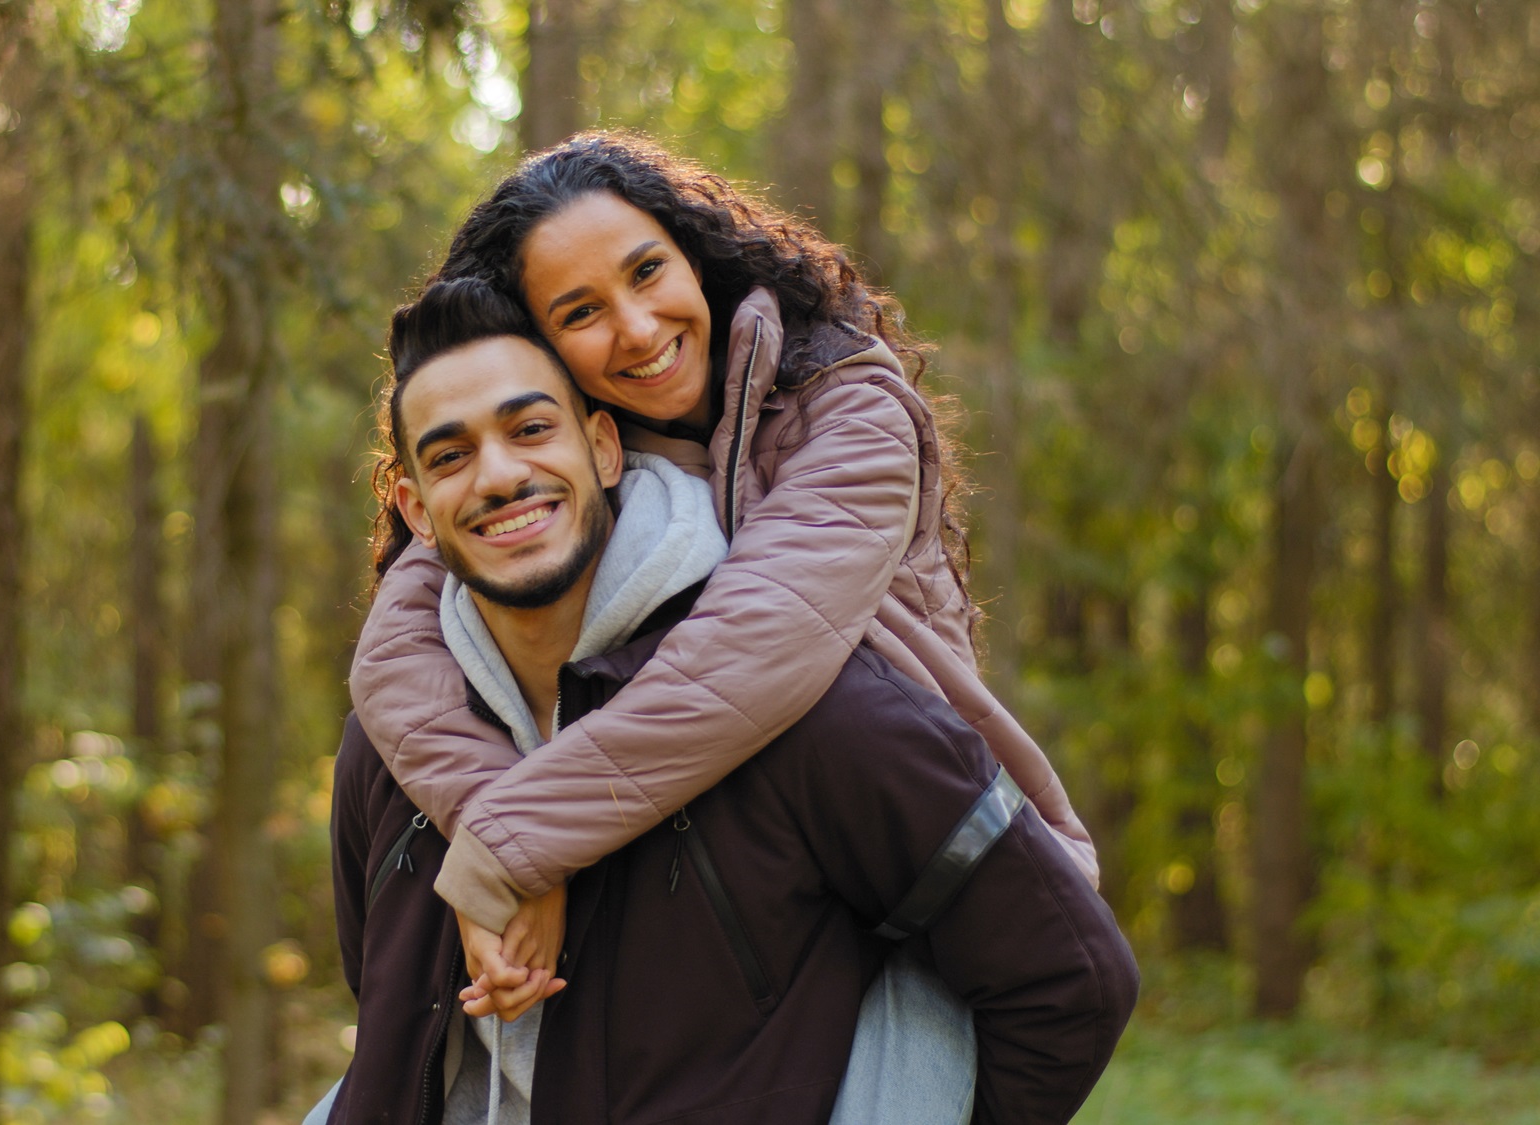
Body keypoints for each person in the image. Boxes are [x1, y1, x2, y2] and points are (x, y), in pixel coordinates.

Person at [353, 132, 1098, 1057]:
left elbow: (746, 655)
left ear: (694, 256)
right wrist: (495, 818)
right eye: (581, 311)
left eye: (647, 272)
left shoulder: (847, 406)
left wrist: (515, 845)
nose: (634, 327)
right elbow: (393, 650)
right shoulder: (562, 453)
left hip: (908, 833)